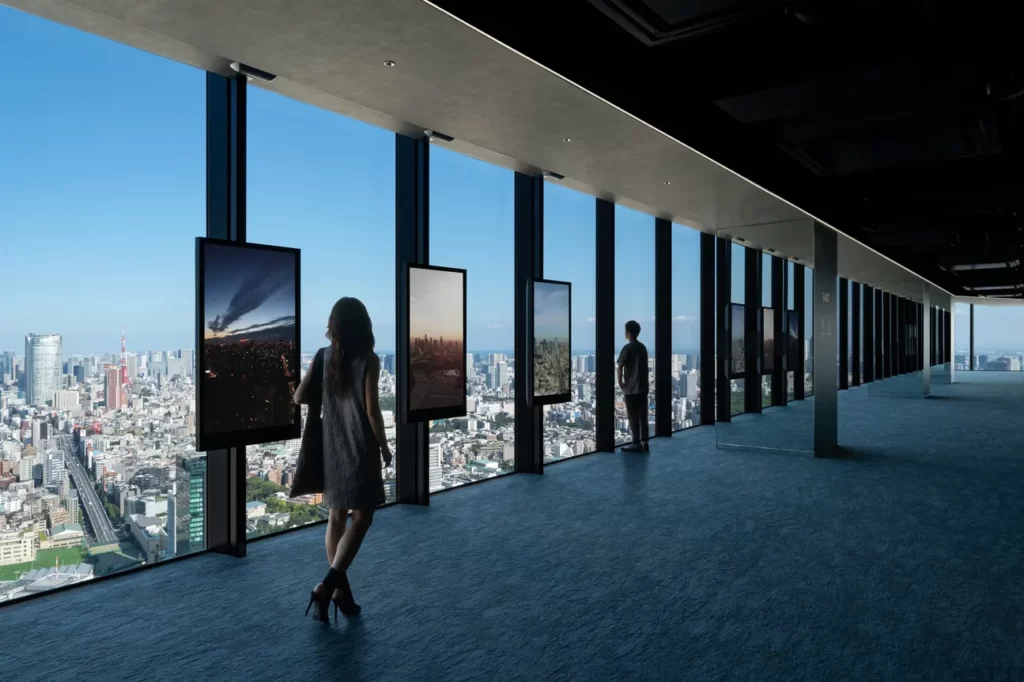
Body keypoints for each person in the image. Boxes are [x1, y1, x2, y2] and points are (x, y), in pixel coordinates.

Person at [296, 297, 393, 623]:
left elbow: (298, 396)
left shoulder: (323, 357)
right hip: (359, 447)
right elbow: (371, 411)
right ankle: (328, 585)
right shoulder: (369, 359)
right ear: (364, 324)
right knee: (363, 519)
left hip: (330, 447)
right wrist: (384, 446)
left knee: (336, 518)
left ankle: (340, 596)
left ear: (333, 326)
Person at [617, 319, 650, 453]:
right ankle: (645, 442)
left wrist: (620, 382)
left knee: (633, 417)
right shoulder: (642, 348)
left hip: (631, 389)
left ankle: (636, 443)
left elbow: (620, 366)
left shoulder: (627, 348)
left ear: (628, 333)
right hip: (642, 388)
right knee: (643, 416)